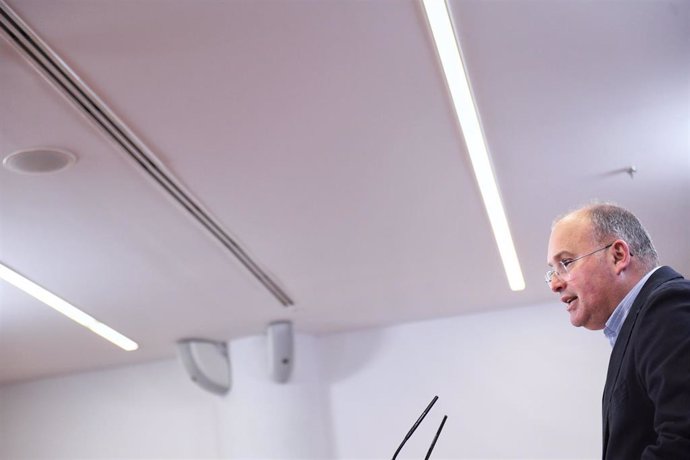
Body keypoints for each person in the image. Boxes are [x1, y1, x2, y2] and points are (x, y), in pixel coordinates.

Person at [546, 203, 690, 459]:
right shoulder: (638, 324)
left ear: (618, 256)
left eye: (566, 263)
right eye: (552, 272)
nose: (555, 284)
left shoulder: (666, 307)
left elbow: (683, 441)